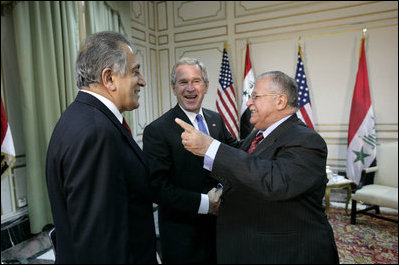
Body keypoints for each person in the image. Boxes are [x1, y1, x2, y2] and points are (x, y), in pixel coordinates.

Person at [175, 71, 339, 264]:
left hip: (286, 252)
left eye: (255, 97)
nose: (248, 103)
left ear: (280, 101)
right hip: (250, 243)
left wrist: (211, 147)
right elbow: (245, 163)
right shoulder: (259, 134)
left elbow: (274, 181)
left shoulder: (307, 141)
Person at [46, 31, 157, 264]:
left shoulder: (81, 118)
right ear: (109, 78)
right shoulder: (97, 133)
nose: (143, 81)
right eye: (135, 71)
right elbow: (100, 245)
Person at [142, 57, 238, 263]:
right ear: (173, 88)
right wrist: (206, 203)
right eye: (183, 82)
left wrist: (264, 131)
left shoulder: (216, 120)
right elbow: (157, 188)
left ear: (206, 86)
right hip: (183, 238)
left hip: (221, 231)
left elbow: (235, 152)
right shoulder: (157, 130)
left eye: (196, 81)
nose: (190, 88)